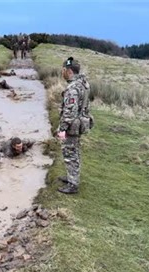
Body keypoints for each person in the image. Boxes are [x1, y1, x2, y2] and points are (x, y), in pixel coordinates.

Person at [57, 57, 93, 195]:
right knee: (74, 152)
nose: (63, 73)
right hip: (80, 123)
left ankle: (73, 185)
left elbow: (69, 113)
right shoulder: (83, 83)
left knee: (70, 153)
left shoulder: (73, 88)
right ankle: (72, 177)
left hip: (72, 127)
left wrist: (61, 129)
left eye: (64, 70)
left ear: (69, 70)